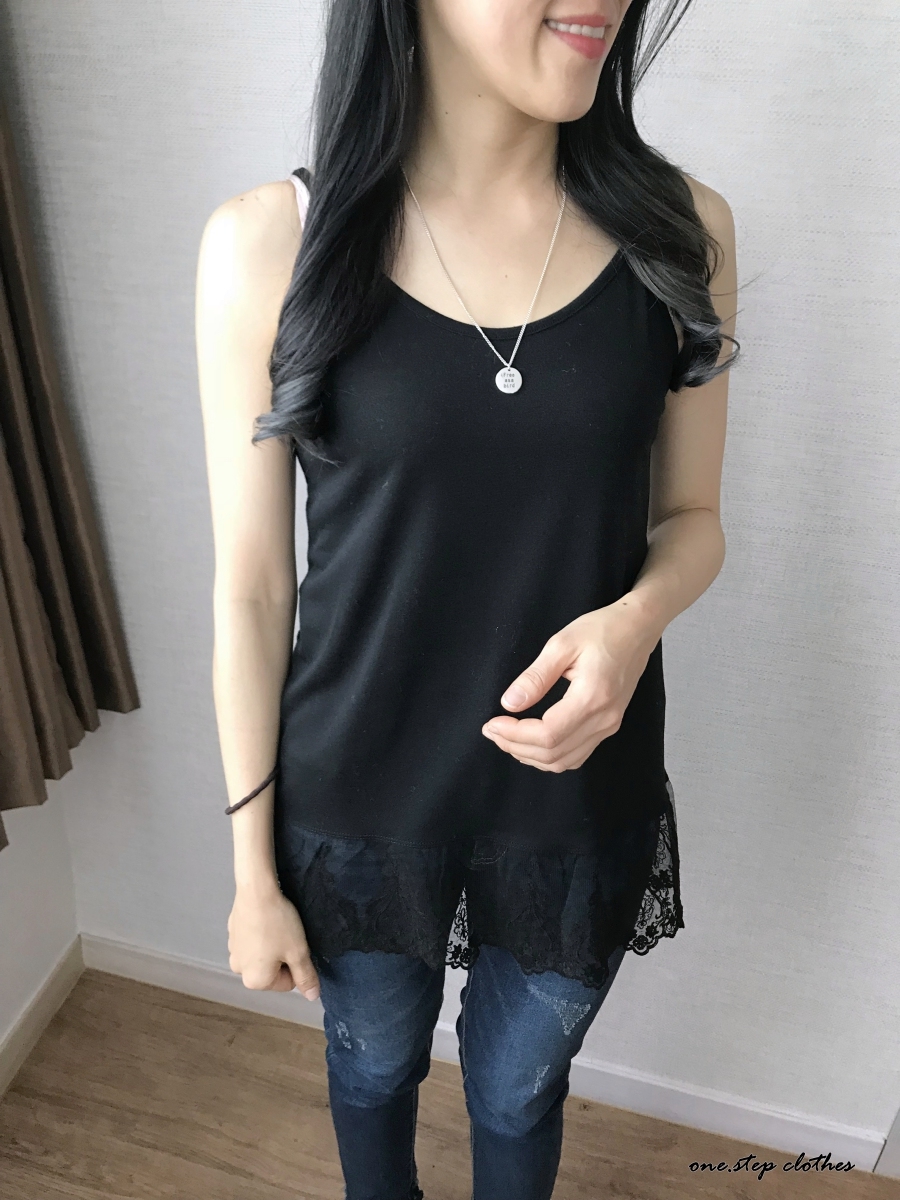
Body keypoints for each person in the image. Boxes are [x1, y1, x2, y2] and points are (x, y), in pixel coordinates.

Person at [195, 1, 738, 1196]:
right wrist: (249, 872)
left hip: (575, 796)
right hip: (356, 799)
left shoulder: (680, 232)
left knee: (518, 1093)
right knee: (372, 1071)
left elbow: (693, 519)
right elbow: (252, 588)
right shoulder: (270, 244)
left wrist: (633, 621)